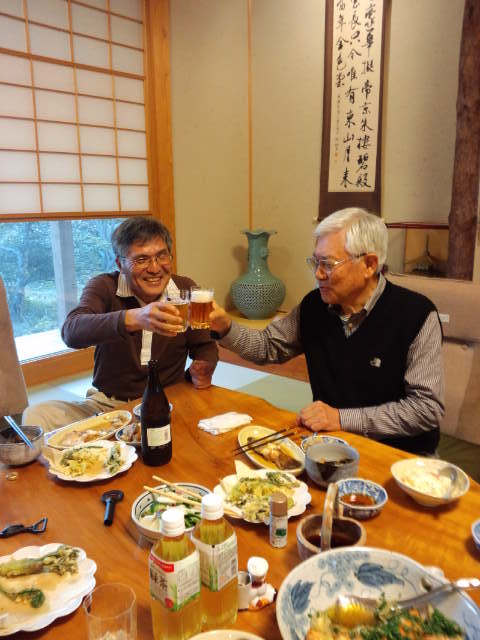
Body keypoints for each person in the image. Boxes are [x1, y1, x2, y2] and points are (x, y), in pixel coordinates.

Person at [210, 208, 444, 455]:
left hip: (401, 458)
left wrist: (342, 419)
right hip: (329, 448)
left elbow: (426, 408)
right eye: (315, 262)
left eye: (328, 264)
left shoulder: (417, 315)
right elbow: (268, 346)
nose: (318, 274)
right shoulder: (314, 306)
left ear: (369, 265)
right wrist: (226, 328)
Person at [23, 217, 218, 432]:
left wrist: (203, 365)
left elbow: (204, 344)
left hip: (167, 401)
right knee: (37, 415)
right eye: (141, 259)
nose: (155, 268)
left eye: (162, 256)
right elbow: (72, 331)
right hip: (109, 406)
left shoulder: (184, 289)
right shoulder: (104, 286)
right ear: (120, 264)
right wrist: (134, 318)